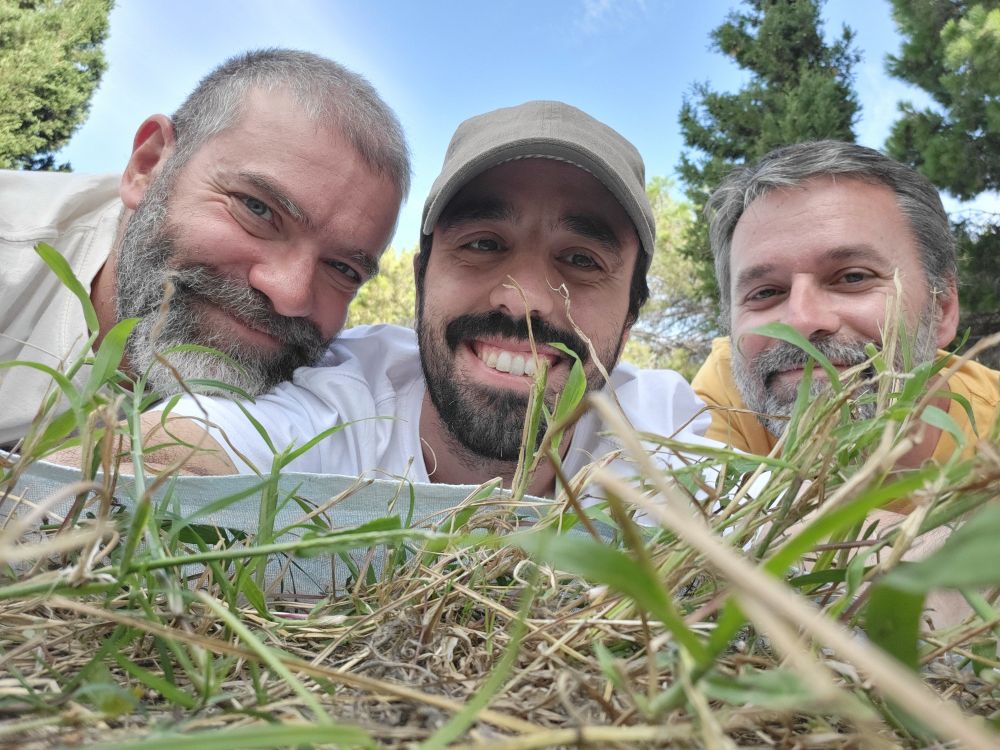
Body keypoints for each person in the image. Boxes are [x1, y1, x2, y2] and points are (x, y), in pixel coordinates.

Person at [155, 100, 713, 497]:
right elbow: (179, 450)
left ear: (631, 315)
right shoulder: (342, 404)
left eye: (583, 260)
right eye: (484, 244)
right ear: (422, 281)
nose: (523, 302)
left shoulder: (662, 432)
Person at [0, 48, 409, 448]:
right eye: (257, 208)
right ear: (148, 166)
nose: (290, 295)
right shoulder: (11, 248)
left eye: (343, 269)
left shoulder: (336, 408)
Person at [691, 140, 999, 466]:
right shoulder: (721, 398)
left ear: (942, 308)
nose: (801, 320)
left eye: (853, 277)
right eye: (765, 293)